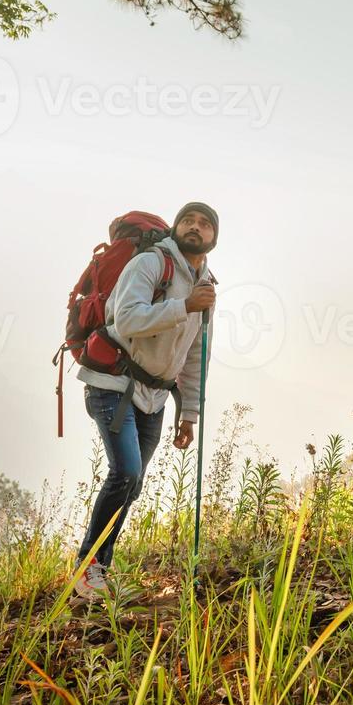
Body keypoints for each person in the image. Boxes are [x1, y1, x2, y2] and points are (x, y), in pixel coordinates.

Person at [73, 202, 218, 598]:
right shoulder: (152, 264)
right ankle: (89, 570)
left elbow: (194, 354)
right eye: (188, 220)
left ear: (213, 239)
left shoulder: (206, 285)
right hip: (112, 383)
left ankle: (97, 570)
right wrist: (185, 305)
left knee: (131, 486)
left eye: (204, 224)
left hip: (154, 395)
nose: (195, 227)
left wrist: (189, 412)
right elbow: (128, 318)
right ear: (176, 227)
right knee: (127, 473)